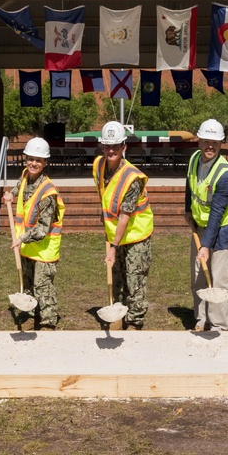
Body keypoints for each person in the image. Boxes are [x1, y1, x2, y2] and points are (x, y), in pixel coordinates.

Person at [93, 121, 153, 330]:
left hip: (136, 235)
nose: (111, 150)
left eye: (116, 146)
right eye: (107, 146)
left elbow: (125, 215)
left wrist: (114, 246)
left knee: (134, 280)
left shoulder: (132, 178)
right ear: (102, 147)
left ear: (123, 147)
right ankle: (118, 316)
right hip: (114, 234)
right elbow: (104, 193)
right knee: (117, 277)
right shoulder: (98, 165)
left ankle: (135, 321)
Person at [186, 118, 228, 331]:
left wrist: (206, 246)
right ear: (199, 141)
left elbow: (217, 213)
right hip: (200, 226)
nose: (210, 146)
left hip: (222, 231)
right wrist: (187, 209)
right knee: (199, 274)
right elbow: (189, 183)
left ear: (221, 144)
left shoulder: (225, 174)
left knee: (218, 279)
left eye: (215, 142)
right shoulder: (194, 159)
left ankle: (218, 324)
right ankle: (201, 319)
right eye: (206, 141)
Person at [3, 137, 64, 330]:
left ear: (45, 163)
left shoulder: (48, 193)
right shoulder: (25, 176)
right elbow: (19, 185)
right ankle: (29, 316)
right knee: (27, 284)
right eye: (30, 159)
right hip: (27, 247)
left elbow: (42, 229)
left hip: (44, 248)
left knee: (42, 286)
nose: (33, 163)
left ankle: (47, 322)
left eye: (38, 160)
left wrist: (21, 237)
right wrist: (10, 194)